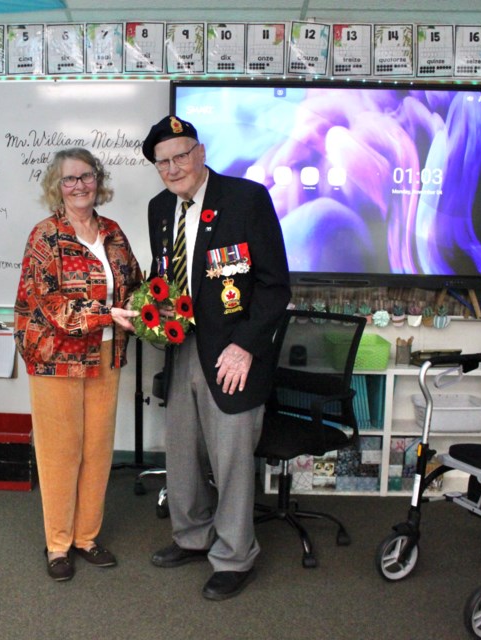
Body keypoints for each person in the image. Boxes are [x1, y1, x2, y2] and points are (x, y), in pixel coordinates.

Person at [142, 116, 291, 600]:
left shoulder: (246, 200)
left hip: (232, 352)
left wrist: (246, 345)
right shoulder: (159, 208)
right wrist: (150, 310)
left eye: (181, 155)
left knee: (230, 459)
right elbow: (166, 277)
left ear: (201, 152)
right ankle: (192, 536)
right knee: (182, 452)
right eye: (163, 162)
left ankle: (233, 555)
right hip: (183, 346)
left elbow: (274, 286)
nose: (173, 168)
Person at [14, 147, 141, 582]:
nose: (80, 185)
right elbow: (55, 308)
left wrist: (154, 308)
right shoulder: (45, 237)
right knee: (60, 454)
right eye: (70, 179)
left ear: (98, 180)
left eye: (86, 177)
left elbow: (135, 286)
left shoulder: (113, 233)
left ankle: (86, 538)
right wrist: (109, 315)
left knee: (97, 451)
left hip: (106, 353)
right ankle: (58, 545)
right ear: (57, 186)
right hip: (56, 358)